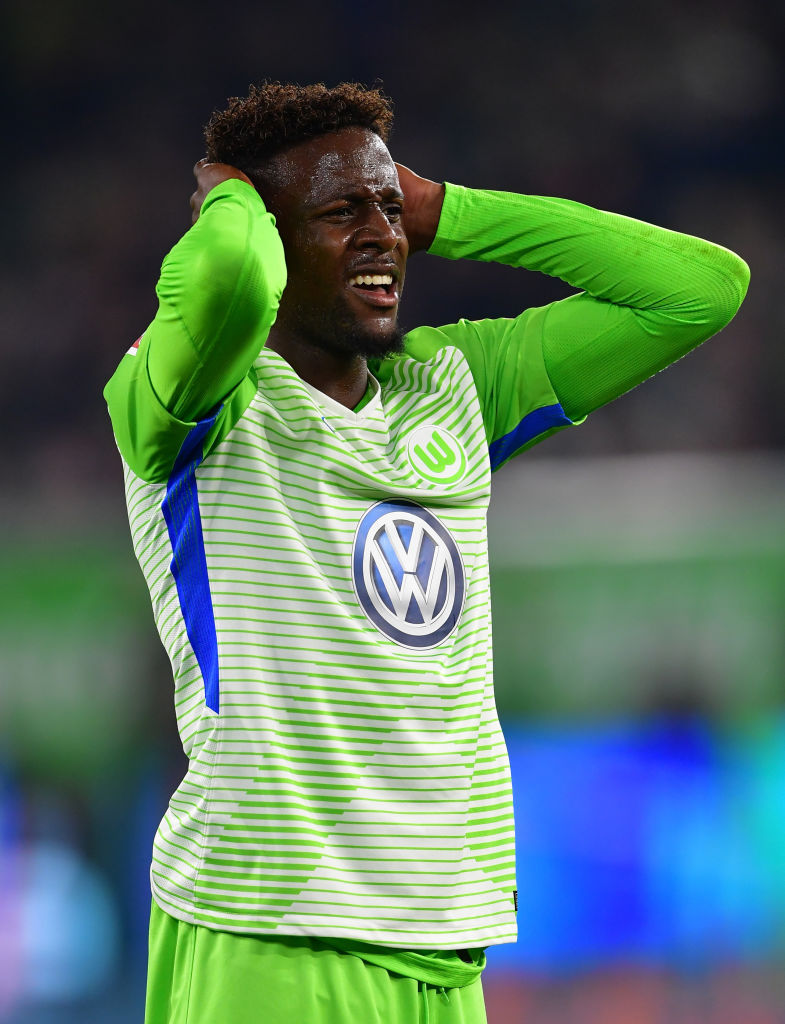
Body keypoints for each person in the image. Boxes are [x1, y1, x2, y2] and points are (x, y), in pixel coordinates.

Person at [104, 81, 749, 1024]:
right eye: (340, 213)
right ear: (269, 236)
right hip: (269, 927)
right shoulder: (191, 405)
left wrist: (449, 210)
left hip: (445, 940)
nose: (381, 235)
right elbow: (229, 280)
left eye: (388, 207)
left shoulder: (449, 386)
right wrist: (231, 199)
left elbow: (698, 290)